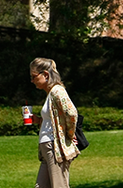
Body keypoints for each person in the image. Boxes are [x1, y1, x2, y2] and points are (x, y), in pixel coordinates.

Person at [30, 57, 79, 188]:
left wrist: (69, 134)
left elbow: (72, 113)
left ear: (45, 74)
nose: (32, 80)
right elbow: (55, 120)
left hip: (54, 147)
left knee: (59, 185)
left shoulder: (57, 91)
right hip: (47, 148)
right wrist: (39, 121)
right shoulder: (51, 94)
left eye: (34, 76)